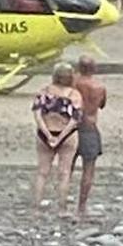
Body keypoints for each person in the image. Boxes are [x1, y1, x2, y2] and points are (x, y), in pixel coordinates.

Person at [31, 62, 84, 216]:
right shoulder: (74, 95)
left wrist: (47, 134)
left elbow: (37, 114)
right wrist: (60, 137)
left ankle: (36, 208)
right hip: (66, 134)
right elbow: (75, 119)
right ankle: (62, 209)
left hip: (45, 131)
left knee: (42, 172)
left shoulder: (44, 92)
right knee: (64, 173)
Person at [71, 56, 107, 221]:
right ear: (94, 69)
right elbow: (101, 105)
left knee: (66, 168)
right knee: (88, 169)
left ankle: (62, 204)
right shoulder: (99, 87)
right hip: (89, 127)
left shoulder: (72, 84)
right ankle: (81, 207)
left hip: (70, 128)